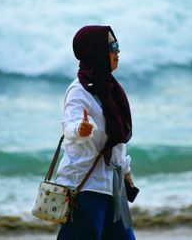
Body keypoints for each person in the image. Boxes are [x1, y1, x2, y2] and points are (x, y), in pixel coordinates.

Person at [55, 25, 136, 240]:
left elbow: (116, 139)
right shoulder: (79, 91)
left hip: (113, 187)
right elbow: (69, 123)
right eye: (112, 46)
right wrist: (81, 129)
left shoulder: (110, 88)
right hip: (85, 188)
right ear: (96, 51)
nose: (117, 51)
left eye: (117, 44)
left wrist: (126, 173)